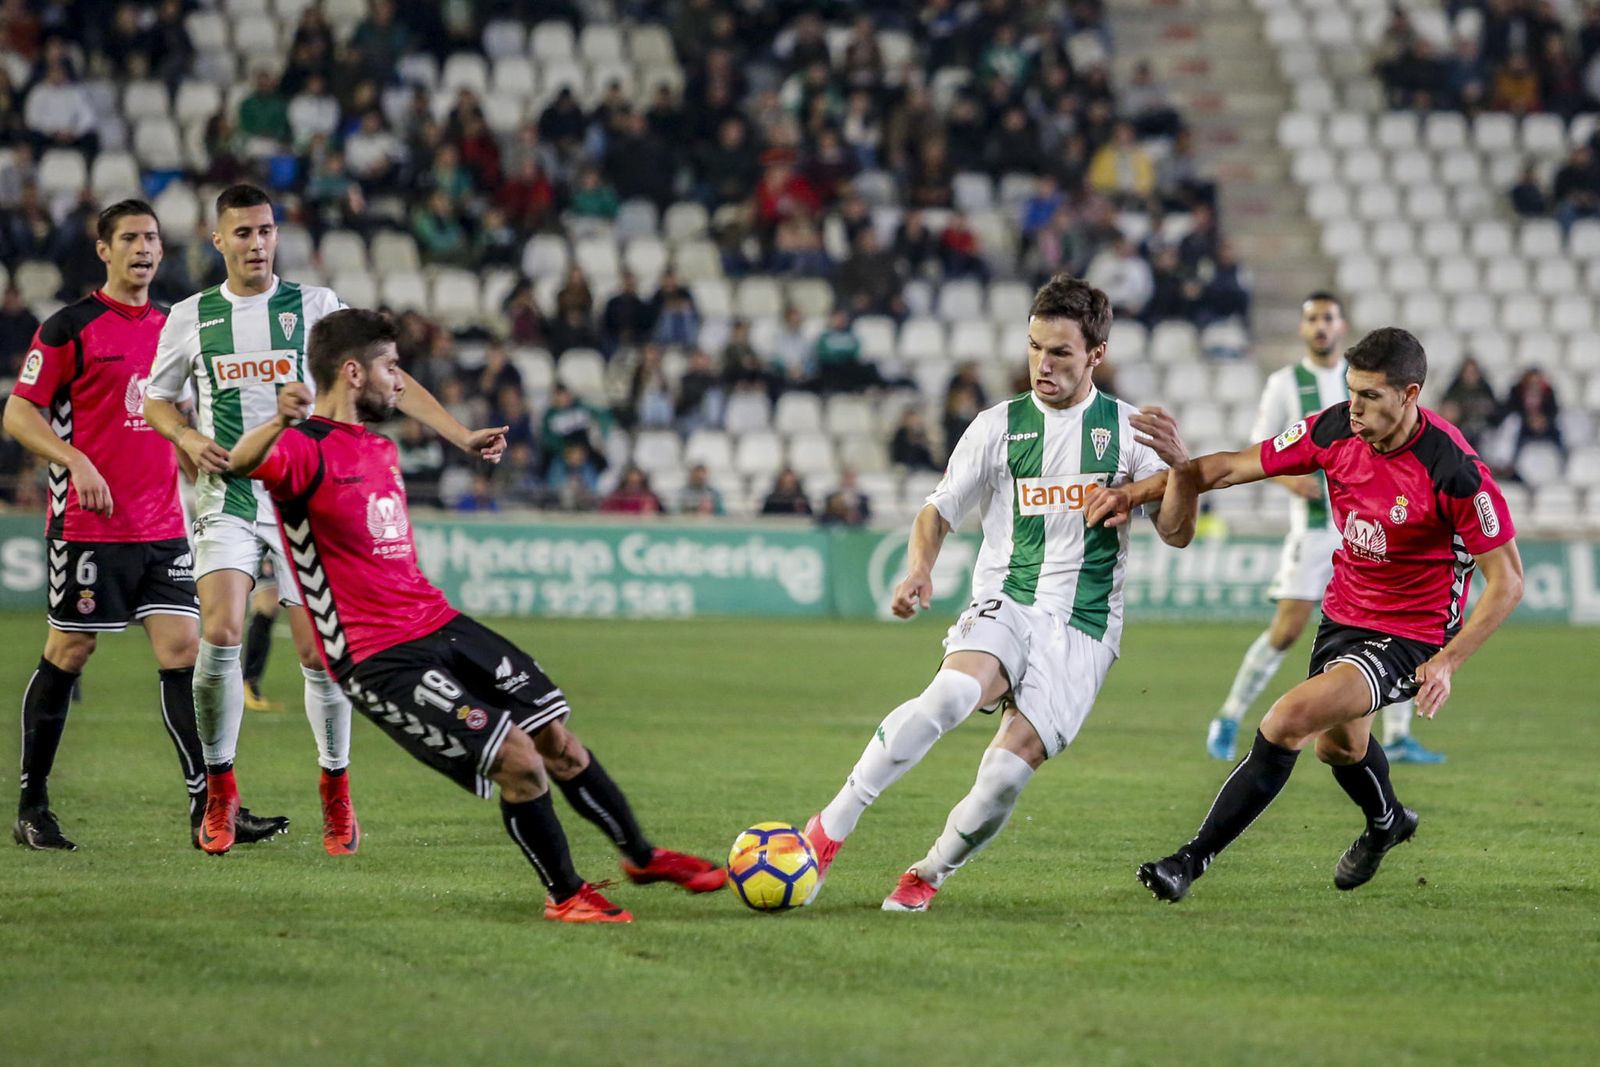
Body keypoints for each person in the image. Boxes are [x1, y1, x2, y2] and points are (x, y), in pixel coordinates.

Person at [226, 309, 726, 922]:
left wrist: (460, 434)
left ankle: (642, 856)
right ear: (354, 373)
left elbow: (408, 400)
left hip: (437, 621)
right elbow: (242, 463)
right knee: (517, 758)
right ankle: (566, 895)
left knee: (556, 740)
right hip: (378, 656)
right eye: (389, 367)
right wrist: (279, 418)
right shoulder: (303, 450)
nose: (399, 380)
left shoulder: (379, 447)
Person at [802, 275, 1195, 912]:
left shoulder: (1128, 433)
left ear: (1096, 354)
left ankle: (927, 873)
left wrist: (1182, 470)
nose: (1043, 364)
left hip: (1085, 626)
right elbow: (938, 509)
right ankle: (827, 832)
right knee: (954, 691)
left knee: (1004, 777)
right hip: (1007, 599)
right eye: (1035, 347)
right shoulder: (997, 426)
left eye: (1061, 352)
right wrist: (918, 571)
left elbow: (1176, 532)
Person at [1090, 328, 1523, 902]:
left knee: (1288, 720)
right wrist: (1134, 494)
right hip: (1345, 614)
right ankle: (1388, 822)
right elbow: (1225, 469)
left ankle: (1188, 862)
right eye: (1351, 392)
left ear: (1410, 393)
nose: (1355, 407)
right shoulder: (1333, 426)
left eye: (1370, 395)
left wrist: (1448, 661)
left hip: (1412, 634)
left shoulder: (1455, 470)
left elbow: (1508, 582)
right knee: (1337, 747)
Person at [141, 183, 506, 857]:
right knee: (219, 630)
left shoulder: (316, 308)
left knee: (319, 653)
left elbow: (387, 378)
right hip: (230, 494)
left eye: (266, 230)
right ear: (217, 240)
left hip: (308, 500)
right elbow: (157, 400)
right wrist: (188, 441)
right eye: (243, 233)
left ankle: (335, 790)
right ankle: (221, 791)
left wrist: (459, 435)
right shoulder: (191, 316)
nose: (257, 243)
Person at [3, 199, 287, 851]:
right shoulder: (70, 327)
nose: (143, 248)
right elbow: (19, 414)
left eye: (152, 238)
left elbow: (178, 412)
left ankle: (211, 809)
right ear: (104, 250)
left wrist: (194, 447)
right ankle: (32, 804)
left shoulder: (178, 324)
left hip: (163, 525)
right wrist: (74, 459)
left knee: (186, 652)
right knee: (70, 650)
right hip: (87, 527)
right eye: (129, 238)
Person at [1205, 294, 1440, 766]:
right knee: (1288, 629)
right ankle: (1229, 715)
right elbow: (1261, 449)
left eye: (1328, 318)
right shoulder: (1284, 383)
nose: (1320, 327)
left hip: (1378, 533)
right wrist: (1293, 481)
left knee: (1395, 621)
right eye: (1311, 318)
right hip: (1315, 532)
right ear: (1302, 327)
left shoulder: (1364, 379)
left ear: (1341, 325)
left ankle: (1396, 734)